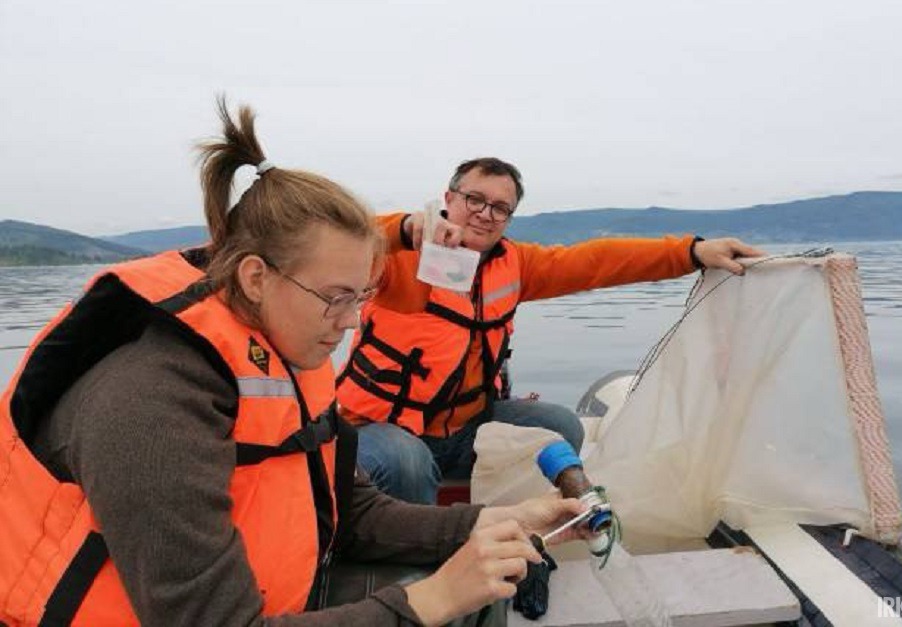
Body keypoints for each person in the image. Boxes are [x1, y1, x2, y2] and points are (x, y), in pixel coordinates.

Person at [0, 103, 588, 627]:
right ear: (255, 277)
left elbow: (349, 510)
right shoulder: (147, 403)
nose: (354, 322)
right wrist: (429, 601)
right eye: (338, 297)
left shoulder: (289, 354)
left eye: (362, 297)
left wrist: (507, 518)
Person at [336, 157, 764, 504]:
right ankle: (410, 552)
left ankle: (514, 527)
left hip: (465, 427)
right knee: (405, 464)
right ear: (449, 197)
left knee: (561, 427)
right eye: (474, 199)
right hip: (382, 427)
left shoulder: (518, 265)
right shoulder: (393, 258)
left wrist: (692, 251)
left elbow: (598, 261)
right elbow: (340, 237)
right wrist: (406, 228)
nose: (485, 214)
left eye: (500, 208)